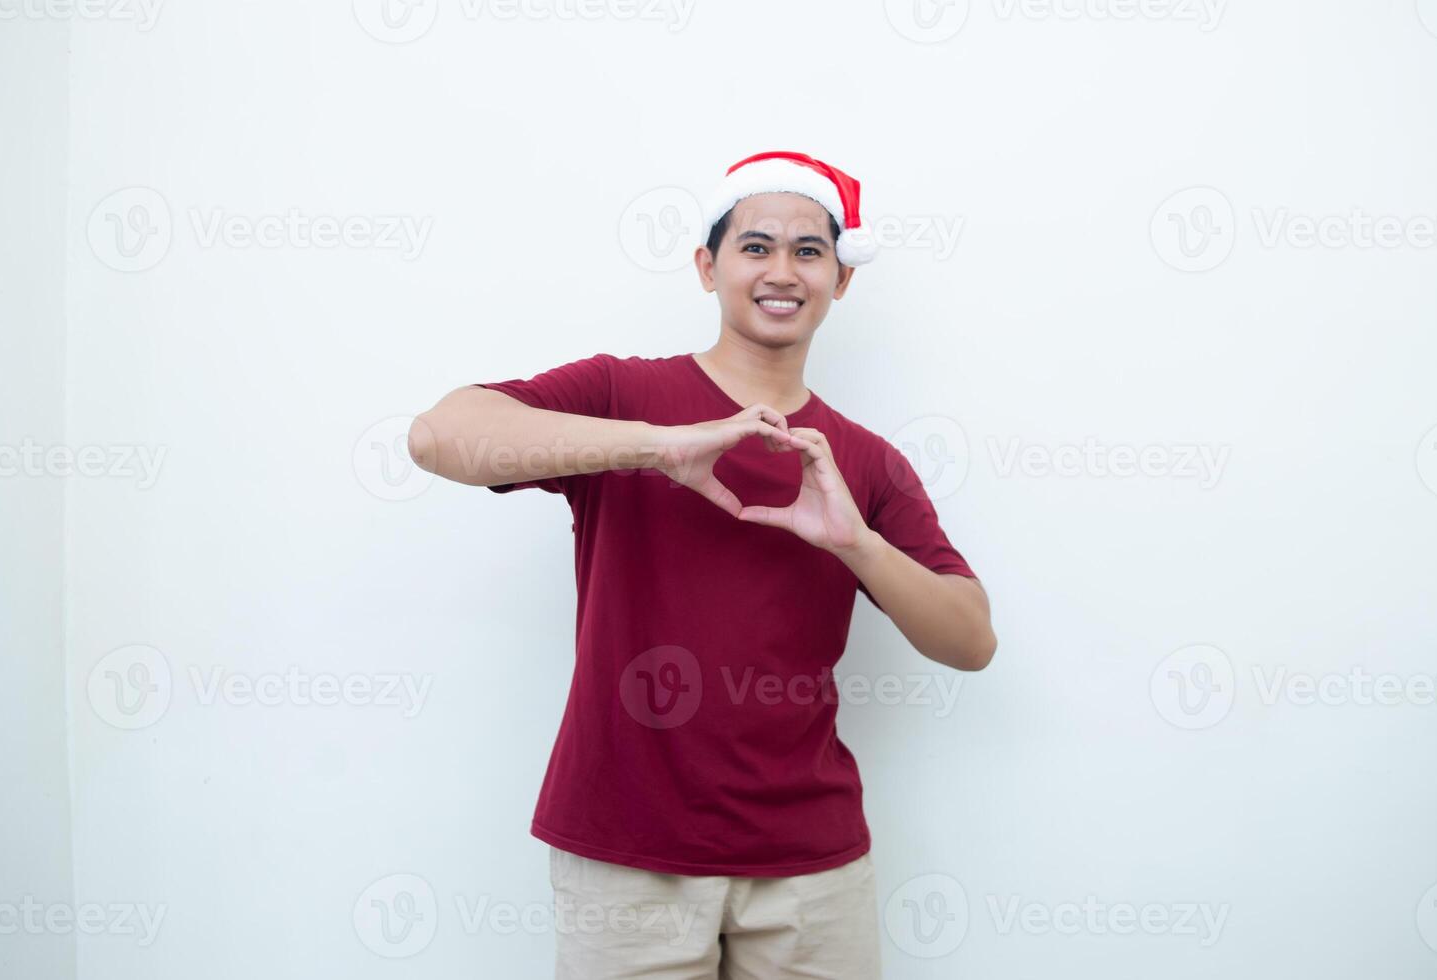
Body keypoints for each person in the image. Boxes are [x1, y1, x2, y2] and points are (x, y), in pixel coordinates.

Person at [408, 150, 996, 979]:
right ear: (706, 266)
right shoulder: (622, 397)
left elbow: (970, 639)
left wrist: (857, 541)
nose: (781, 271)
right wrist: (660, 447)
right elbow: (439, 435)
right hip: (626, 853)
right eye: (755, 247)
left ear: (841, 279)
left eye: (808, 250)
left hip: (810, 868)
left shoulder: (864, 461)